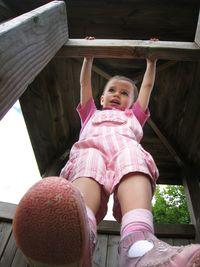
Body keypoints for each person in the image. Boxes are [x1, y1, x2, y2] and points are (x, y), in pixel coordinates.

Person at [59, 38, 200, 267]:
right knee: (88, 163)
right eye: (112, 90)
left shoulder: (133, 117)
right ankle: (78, 237)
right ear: (102, 99)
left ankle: (139, 246)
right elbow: (84, 85)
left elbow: (147, 87)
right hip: (92, 149)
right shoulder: (90, 114)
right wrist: (88, 57)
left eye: (125, 93)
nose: (117, 94)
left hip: (125, 148)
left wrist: (151, 62)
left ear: (133, 103)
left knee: (133, 161)